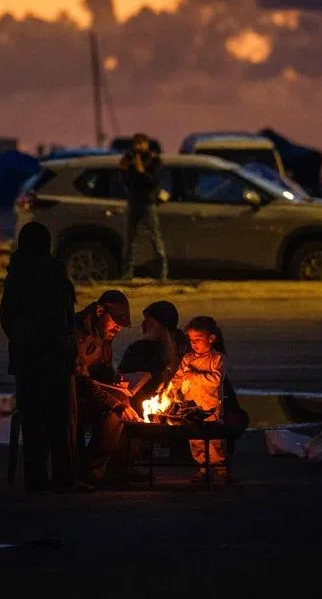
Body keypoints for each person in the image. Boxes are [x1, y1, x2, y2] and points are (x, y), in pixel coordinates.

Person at [0, 222, 84, 493]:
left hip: (25, 359)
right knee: (57, 420)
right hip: (53, 359)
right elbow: (63, 321)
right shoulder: (54, 276)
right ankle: (63, 478)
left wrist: (21, 340)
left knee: (32, 420)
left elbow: (6, 317)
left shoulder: (16, 275)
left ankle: (36, 478)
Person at [74, 290, 143, 483]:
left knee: (132, 403)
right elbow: (81, 380)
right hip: (72, 395)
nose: (117, 329)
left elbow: (103, 370)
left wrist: (116, 381)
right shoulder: (78, 334)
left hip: (90, 392)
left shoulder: (104, 336)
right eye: (115, 323)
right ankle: (91, 468)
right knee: (117, 412)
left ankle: (119, 465)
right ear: (99, 311)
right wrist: (114, 402)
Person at [163, 316, 229, 483]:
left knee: (214, 442)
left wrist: (193, 375)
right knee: (196, 441)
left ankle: (220, 470)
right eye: (191, 340)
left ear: (211, 338)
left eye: (198, 339)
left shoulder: (217, 359)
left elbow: (215, 380)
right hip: (191, 409)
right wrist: (169, 391)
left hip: (211, 408)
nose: (194, 344)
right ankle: (203, 469)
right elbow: (178, 378)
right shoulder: (188, 359)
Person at [117, 300, 188, 409]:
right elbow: (123, 381)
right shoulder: (137, 350)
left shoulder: (185, 347)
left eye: (149, 322)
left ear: (163, 325)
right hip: (142, 407)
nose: (143, 325)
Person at [119, 133, 168, 281]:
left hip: (148, 203)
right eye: (135, 143)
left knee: (155, 239)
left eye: (140, 143)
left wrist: (142, 171)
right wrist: (125, 170)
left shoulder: (154, 160)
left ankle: (162, 274)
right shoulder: (131, 159)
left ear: (146, 144)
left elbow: (154, 182)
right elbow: (126, 182)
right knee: (130, 240)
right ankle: (127, 274)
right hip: (134, 202)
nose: (137, 147)